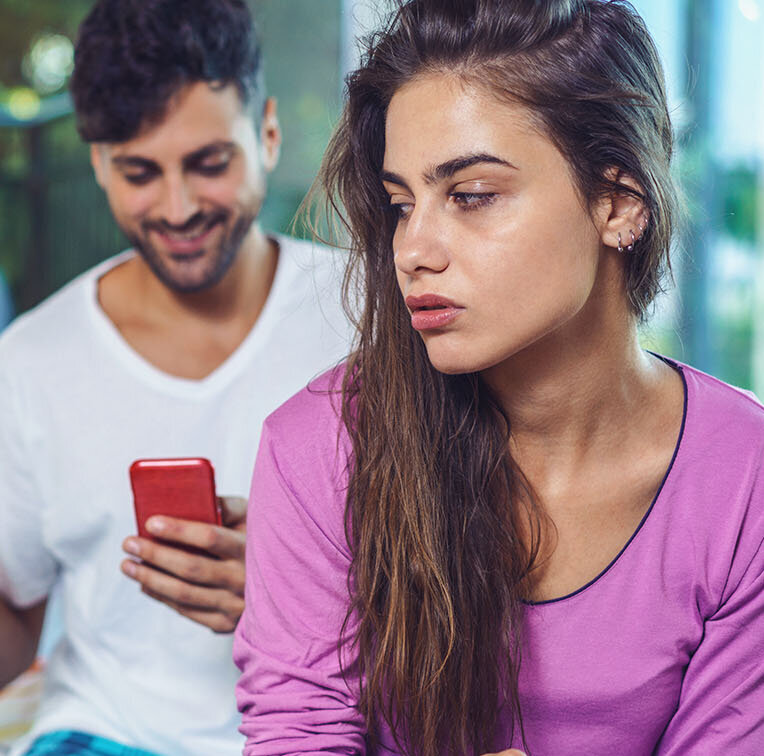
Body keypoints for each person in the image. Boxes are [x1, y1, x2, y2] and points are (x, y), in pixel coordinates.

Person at [235, 0, 764, 754]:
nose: (412, 248)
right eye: (399, 204)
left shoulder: (745, 476)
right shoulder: (317, 448)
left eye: (472, 196)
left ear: (619, 202)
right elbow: (298, 735)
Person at [0, 0, 350, 753]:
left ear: (267, 134)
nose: (177, 209)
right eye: (140, 172)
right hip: (98, 734)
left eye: (209, 164)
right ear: (100, 164)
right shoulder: (32, 359)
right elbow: (7, 655)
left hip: (319, 733)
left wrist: (290, 594)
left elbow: (482, 583)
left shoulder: (370, 315)